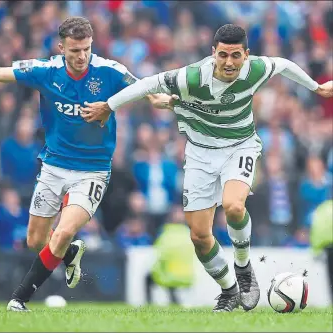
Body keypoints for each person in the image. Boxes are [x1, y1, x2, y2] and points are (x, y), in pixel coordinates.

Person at [0, 16, 172, 312]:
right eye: (75, 50)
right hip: (53, 166)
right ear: (61, 47)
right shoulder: (45, 71)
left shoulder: (109, 70)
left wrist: (162, 100)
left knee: (62, 232)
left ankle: (19, 298)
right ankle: (70, 253)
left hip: (93, 170)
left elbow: (144, 91)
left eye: (86, 49)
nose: (82, 56)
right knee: (36, 239)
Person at [81, 24, 333, 312]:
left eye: (236, 56)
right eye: (223, 55)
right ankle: (229, 289)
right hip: (200, 155)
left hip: (240, 145)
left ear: (246, 55)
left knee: (234, 206)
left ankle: (243, 268)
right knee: (200, 236)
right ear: (213, 53)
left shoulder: (257, 69)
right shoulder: (191, 77)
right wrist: (109, 106)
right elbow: (147, 84)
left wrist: (317, 87)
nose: (229, 62)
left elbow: (285, 65)